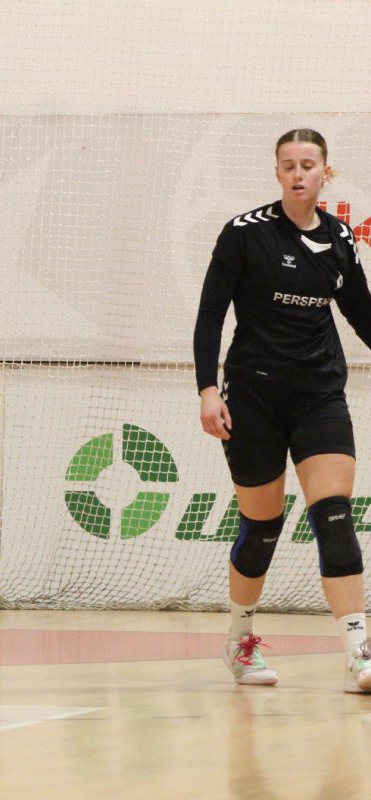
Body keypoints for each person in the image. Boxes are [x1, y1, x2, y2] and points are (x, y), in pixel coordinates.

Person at [194, 128, 371, 693]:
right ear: (277, 173)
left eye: (309, 165)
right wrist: (207, 390)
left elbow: (362, 314)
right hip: (254, 397)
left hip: (319, 395)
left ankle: (359, 651)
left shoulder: (340, 238)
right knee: (262, 527)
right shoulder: (245, 234)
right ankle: (240, 639)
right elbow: (210, 315)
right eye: (289, 165)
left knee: (334, 514)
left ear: (325, 173)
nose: (299, 174)